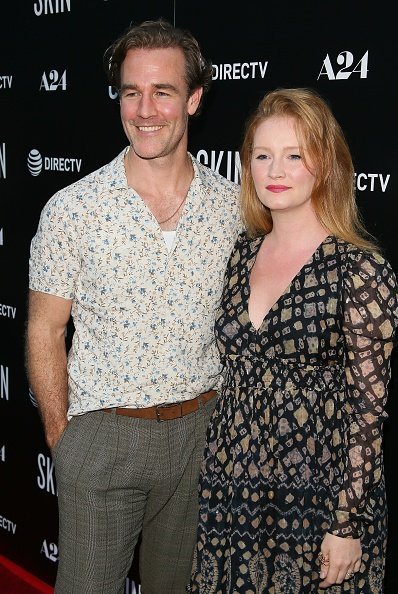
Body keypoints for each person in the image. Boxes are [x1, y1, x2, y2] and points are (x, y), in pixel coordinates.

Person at [25, 18, 241, 594]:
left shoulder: (232, 204)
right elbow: (46, 328)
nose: (144, 110)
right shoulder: (72, 209)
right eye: (130, 92)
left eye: (163, 92)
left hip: (200, 435)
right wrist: (62, 439)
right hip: (103, 438)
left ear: (194, 99)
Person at [188, 87, 398, 594]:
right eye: (263, 156)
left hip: (318, 499)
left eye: (293, 155)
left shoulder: (362, 271)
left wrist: (346, 524)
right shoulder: (241, 253)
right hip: (231, 490)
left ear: (324, 164)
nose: (275, 171)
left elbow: (368, 412)